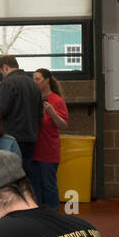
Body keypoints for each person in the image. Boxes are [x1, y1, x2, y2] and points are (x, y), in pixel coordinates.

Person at [30, 68, 70, 211]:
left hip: (49, 151)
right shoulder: (32, 99)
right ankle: (37, 216)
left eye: (38, 79)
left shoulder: (57, 100)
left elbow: (64, 125)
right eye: (33, 79)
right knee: (35, 186)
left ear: (47, 80)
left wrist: (52, 112)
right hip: (34, 150)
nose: (35, 82)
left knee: (49, 185)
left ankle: (53, 214)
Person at [0, 54, 41, 173]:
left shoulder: (8, 83)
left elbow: (1, 110)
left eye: (1, 72)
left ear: (5, 67)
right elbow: (40, 115)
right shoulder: (33, 84)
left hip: (12, 138)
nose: (2, 75)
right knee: (25, 177)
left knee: (10, 176)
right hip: (31, 138)